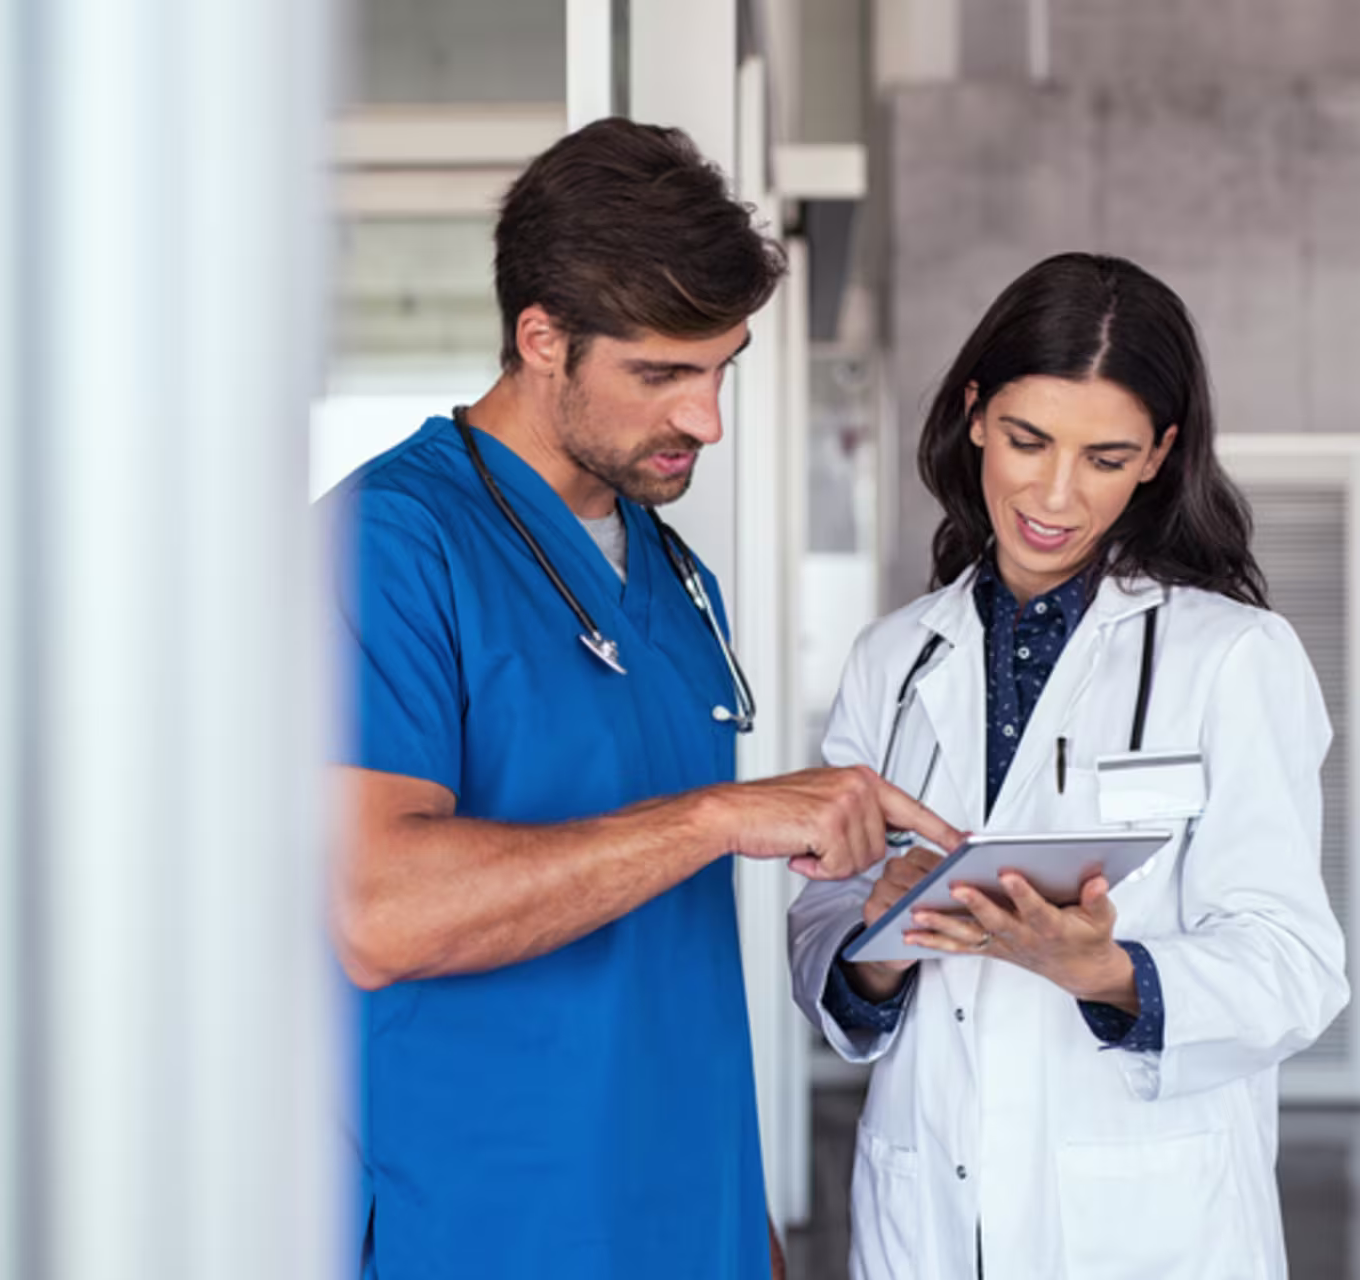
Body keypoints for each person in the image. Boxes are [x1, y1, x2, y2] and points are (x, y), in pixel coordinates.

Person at [325, 118, 957, 1280]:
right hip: (487, 1229)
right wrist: (718, 815)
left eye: (723, 365)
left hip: (692, 1223)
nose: (705, 417)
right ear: (542, 339)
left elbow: (674, 956)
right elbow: (380, 912)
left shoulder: (675, 579)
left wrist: (747, 1226)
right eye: (662, 373)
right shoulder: (390, 544)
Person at [788, 253, 1349, 1279]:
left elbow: (1295, 966)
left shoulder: (1232, 656)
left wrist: (1103, 968)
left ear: (1158, 456)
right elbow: (821, 928)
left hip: (1148, 1221)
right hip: (930, 1212)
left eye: (1105, 455)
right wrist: (882, 936)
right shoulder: (895, 657)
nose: (1053, 492)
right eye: (1027, 439)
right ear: (973, 415)